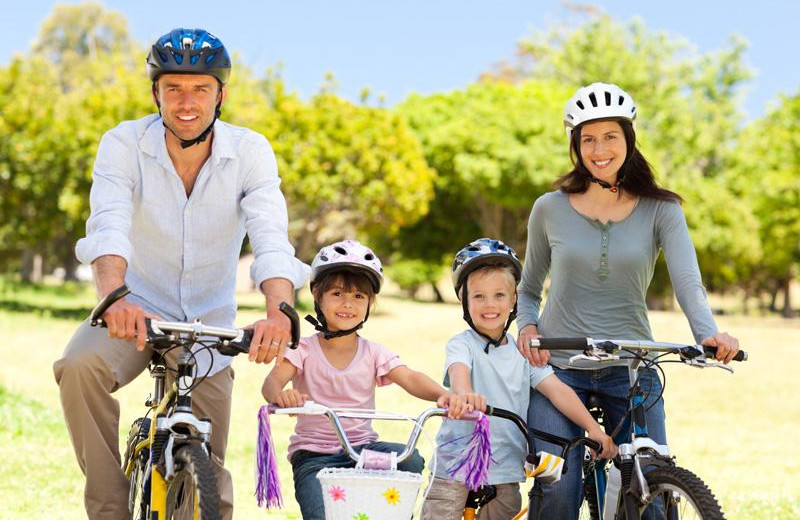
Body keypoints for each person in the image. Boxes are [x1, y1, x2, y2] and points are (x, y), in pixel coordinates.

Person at [53, 28, 310, 520]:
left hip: (210, 320)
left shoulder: (250, 151)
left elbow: (271, 235)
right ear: (156, 93)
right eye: (173, 88)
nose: (186, 102)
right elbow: (107, 224)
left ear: (221, 95)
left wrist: (279, 311)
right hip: (133, 312)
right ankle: (109, 509)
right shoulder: (124, 143)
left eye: (200, 89)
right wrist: (115, 298)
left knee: (209, 472)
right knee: (78, 367)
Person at [517, 82, 741, 519]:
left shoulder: (662, 210)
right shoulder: (549, 208)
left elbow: (688, 282)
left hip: (632, 366)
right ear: (576, 146)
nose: (599, 149)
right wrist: (528, 326)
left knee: (649, 484)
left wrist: (707, 333)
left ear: (629, 140)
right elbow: (528, 289)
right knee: (558, 488)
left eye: (610, 136)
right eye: (588, 139)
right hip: (559, 369)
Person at [262, 239, 479, 520]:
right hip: (314, 456)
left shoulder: (373, 353)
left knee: (410, 459)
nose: (348, 304)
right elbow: (271, 383)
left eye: (358, 297)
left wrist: (445, 395)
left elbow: (410, 377)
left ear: (370, 303)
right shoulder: (303, 350)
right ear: (317, 294)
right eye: (337, 294)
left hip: (363, 449)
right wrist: (280, 395)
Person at [421, 238, 616, 520]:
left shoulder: (521, 354)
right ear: (464, 300)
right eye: (479, 296)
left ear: (514, 300)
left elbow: (558, 391)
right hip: (456, 467)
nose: (490, 305)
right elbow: (459, 373)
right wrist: (464, 395)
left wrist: (593, 430)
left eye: (499, 295)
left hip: (505, 469)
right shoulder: (462, 344)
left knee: (508, 509)